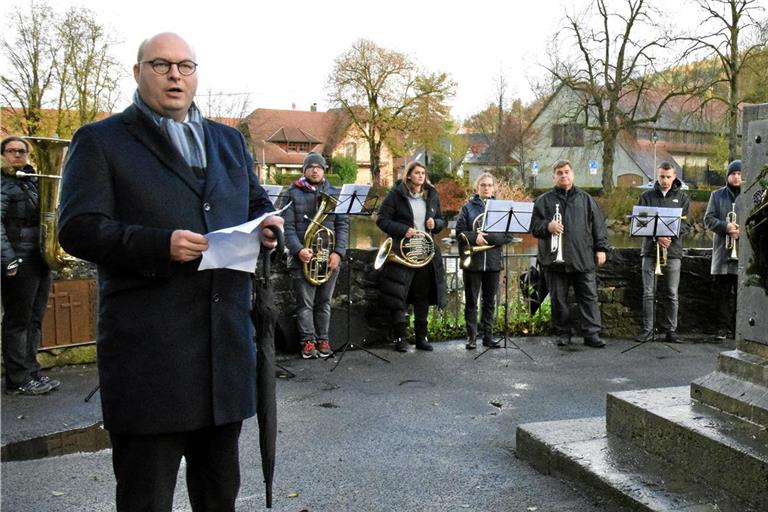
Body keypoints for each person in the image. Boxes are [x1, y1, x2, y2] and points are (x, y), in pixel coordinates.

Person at [57, 33, 282, 512]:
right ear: (138, 73)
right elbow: (77, 229)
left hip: (224, 356)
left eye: (185, 65)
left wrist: (269, 227)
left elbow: (258, 203)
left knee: (219, 497)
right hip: (150, 361)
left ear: (197, 74)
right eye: (161, 65)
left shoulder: (228, 140)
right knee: (146, 500)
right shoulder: (100, 140)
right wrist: (159, 245)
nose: (175, 75)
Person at [1, 136, 60, 395]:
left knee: (35, 318)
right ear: (3, 154)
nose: (18, 155)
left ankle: (32, 371)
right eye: (12, 151)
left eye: (22, 151)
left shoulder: (31, 181)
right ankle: (17, 380)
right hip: (18, 259)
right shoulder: (3, 184)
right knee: (18, 321)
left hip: (39, 257)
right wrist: (8, 259)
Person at [531, 159, 610, 348]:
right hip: (554, 261)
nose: (564, 175)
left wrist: (601, 248)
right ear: (554, 177)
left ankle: (591, 334)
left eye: (567, 172)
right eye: (559, 173)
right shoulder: (543, 201)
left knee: (589, 297)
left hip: (583, 258)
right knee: (558, 300)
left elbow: (598, 226)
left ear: (572, 174)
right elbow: (533, 227)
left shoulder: (586, 199)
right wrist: (548, 226)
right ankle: (563, 333)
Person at [282, 152, 349, 359]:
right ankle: (308, 341)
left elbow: (343, 226)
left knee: (324, 303)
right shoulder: (292, 193)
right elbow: (287, 227)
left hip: (328, 258)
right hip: (304, 257)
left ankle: (323, 339)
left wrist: (338, 252)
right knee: (305, 304)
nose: (315, 170)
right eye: (311, 167)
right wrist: (298, 250)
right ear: (305, 170)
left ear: (324, 170)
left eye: (319, 167)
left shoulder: (336, 194)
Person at [376, 161, 447, 352]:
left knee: (422, 296)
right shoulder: (395, 195)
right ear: (408, 175)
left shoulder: (431, 194)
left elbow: (442, 220)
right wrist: (403, 230)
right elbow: (381, 220)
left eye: (423, 173)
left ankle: (422, 338)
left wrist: (436, 224)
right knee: (400, 296)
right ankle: (400, 338)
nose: (421, 176)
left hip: (424, 253)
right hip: (402, 251)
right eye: (417, 173)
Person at [456, 172, 514, 349]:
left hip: (493, 263)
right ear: (477, 188)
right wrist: (475, 237)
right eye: (483, 185)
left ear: (494, 187)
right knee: (472, 301)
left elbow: (508, 235)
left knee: (489, 302)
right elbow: (459, 232)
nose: (486, 188)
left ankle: (487, 337)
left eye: (489, 185)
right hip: (472, 262)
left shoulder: (501, 208)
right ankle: (471, 338)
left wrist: (487, 240)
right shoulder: (467, 208)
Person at [636, 161, 691, 344]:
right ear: (657, 176)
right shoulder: (646, 196)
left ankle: (671, 331)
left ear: (674, 176)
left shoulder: (683, 198)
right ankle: (647, 330)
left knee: (671, 293)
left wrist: (669, 235)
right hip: (650, 251)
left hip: (673, 251)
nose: (665, 180)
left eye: (668, 177)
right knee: (648, 292)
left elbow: (686, 224)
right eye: (662, 176)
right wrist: (656, 237)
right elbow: (641, 223)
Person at [704, 159, 741, 340]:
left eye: (740, 174)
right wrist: (726, 227)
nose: (736, 177)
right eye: (733, 173)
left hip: (743, 253)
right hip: (722, 253)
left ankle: (738, 328)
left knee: (742, 295)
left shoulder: (751, 196)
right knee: (722, 294)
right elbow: (708, 220)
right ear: (728, 175)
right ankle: (722, 328)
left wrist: (741, 231)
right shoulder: (716, 195)